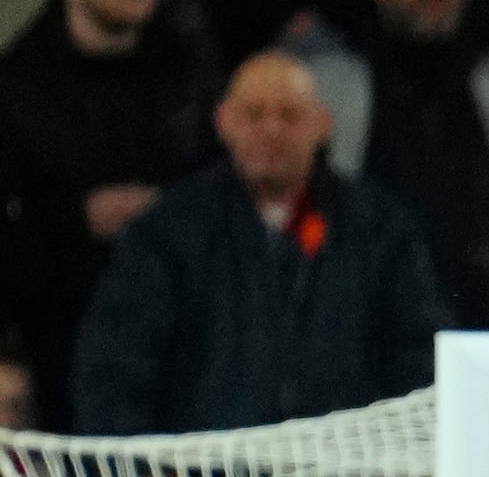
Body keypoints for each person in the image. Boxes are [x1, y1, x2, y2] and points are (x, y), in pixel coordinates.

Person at [71, 48, 442, 433]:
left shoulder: (380, 228)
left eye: (290, 115)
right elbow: (115, 362)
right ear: (223, 122)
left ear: (322, 124)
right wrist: (146, 471)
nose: (271, 130)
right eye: (253, 115)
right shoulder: (170, 229)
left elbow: (419, 357)